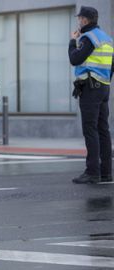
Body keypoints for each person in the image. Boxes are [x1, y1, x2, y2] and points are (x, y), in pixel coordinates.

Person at [69, 6, 114, 184]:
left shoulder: (88, 38)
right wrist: (104, 81)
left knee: (91, 130)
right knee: (103, 129)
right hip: (103, 87)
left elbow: (75, 59)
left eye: (80, 18)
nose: (78, 21)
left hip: (90, 88)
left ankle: (92, 172)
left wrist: (73, 42)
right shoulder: (107, 39)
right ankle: (106, 172)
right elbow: (111, 67)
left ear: (85, 20)